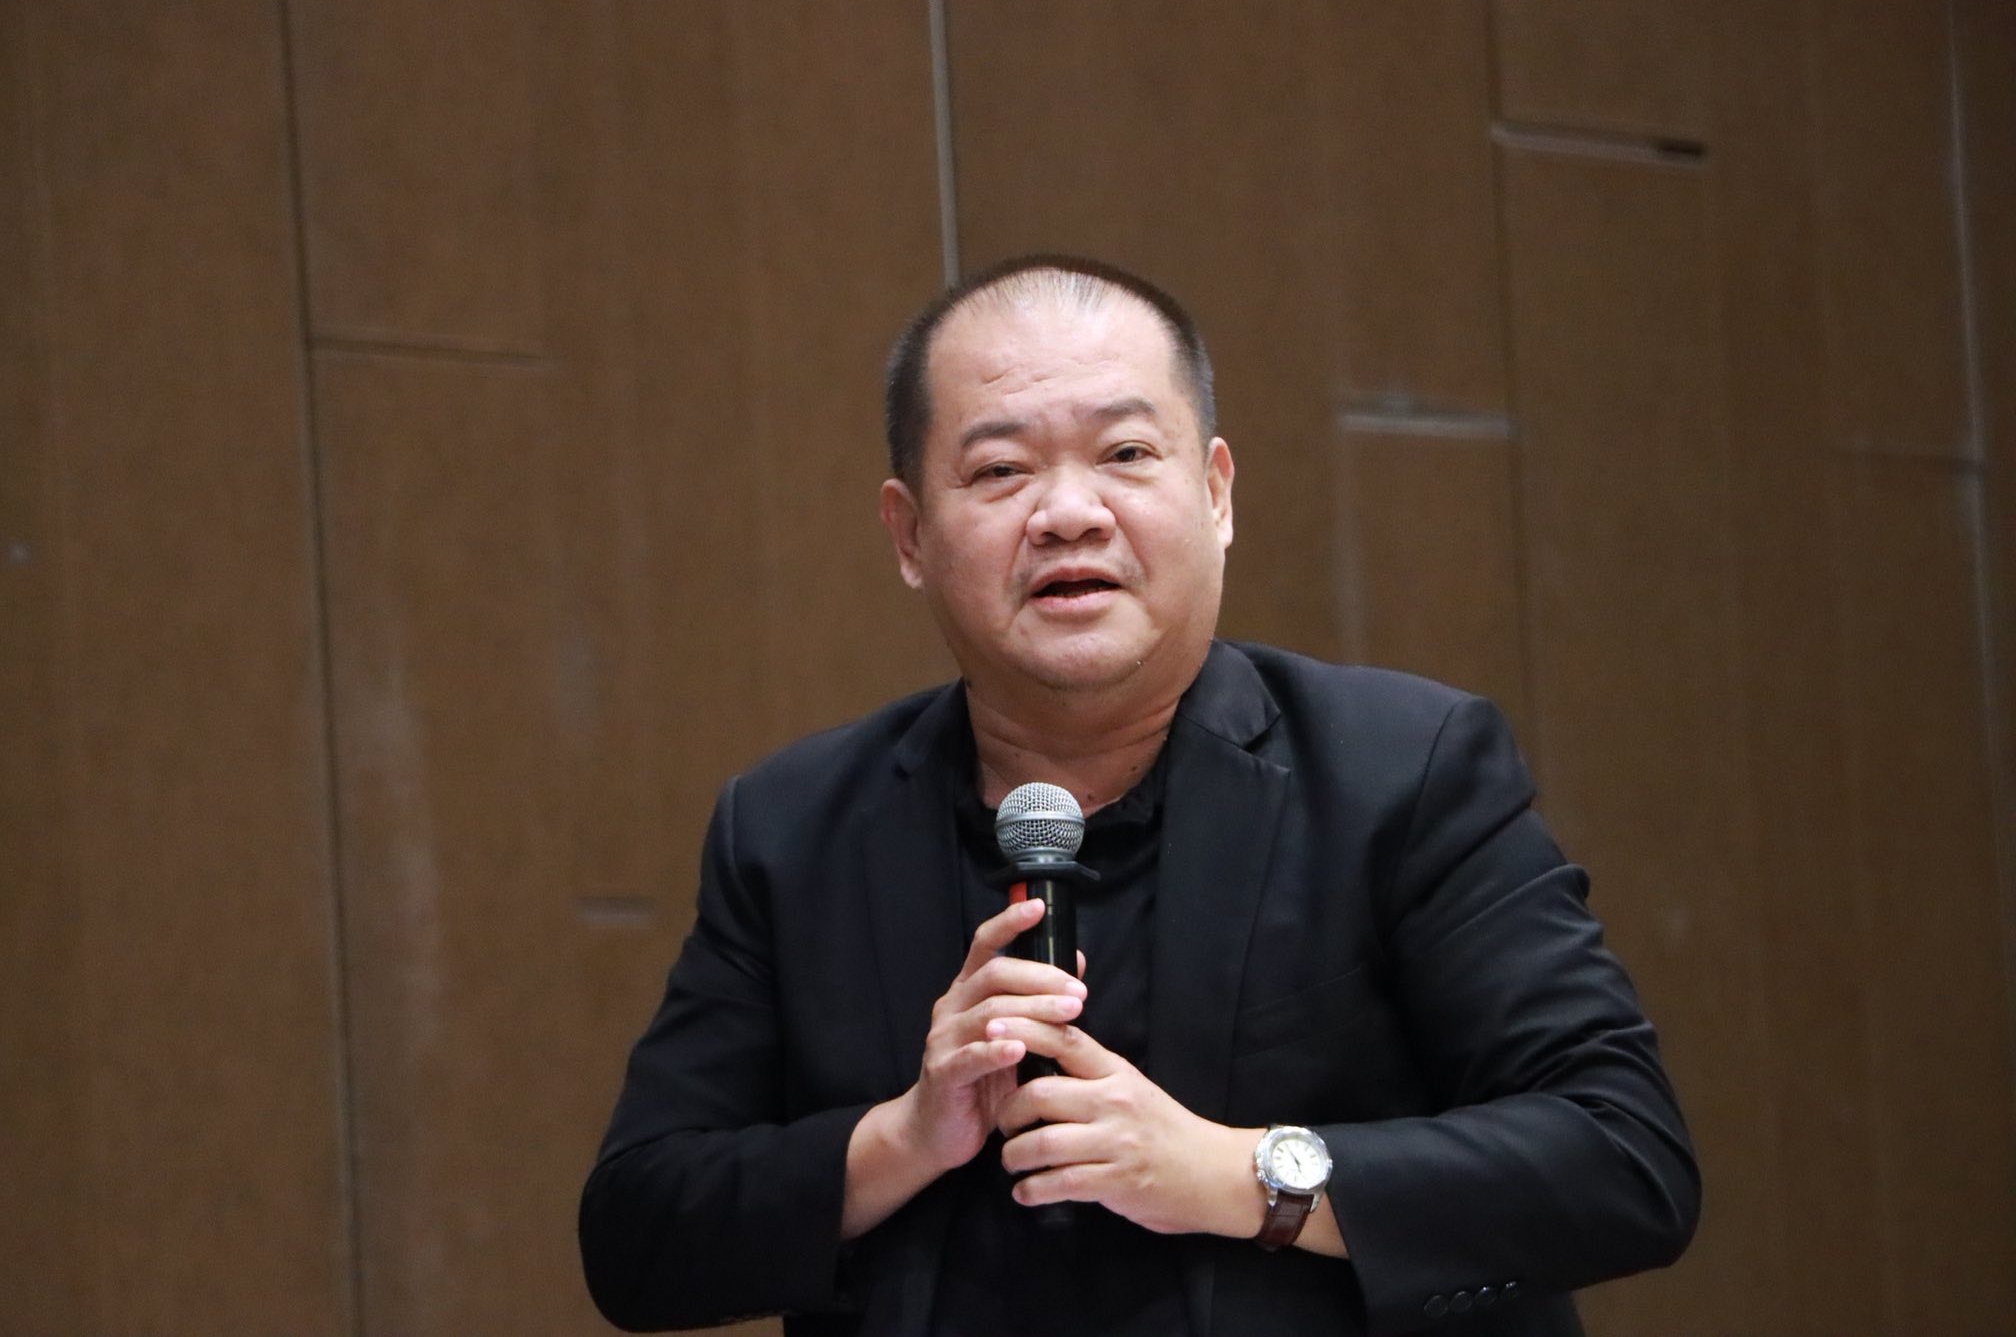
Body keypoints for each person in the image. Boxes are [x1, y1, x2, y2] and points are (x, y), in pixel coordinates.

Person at [580, 256, 1699, 1335]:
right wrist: (904, 1137)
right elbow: (638, 1234)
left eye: (1124, 453)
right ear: (909, 534)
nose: (1069, 512)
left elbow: (1620, 1156)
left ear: (1214, 493)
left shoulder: (1402, 772)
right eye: (1000, 470)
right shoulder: (793, 831)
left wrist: (1238, 1174)